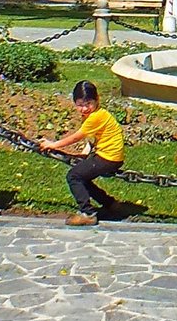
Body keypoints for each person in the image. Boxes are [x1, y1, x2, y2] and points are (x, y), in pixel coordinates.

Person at [40, 80, 124, 226]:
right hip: (110, 155)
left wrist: (53, 145)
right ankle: (110, 203)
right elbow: (92, 138)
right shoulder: (98, 113)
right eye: (80, 104)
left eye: (88, 104)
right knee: (83, 178)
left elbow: (76, 137)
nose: (84, 108)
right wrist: (86, 154)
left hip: (108, 158)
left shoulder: (96, 116)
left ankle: (88, 213)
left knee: (73, 176)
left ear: (97, 100)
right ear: (74, 102)